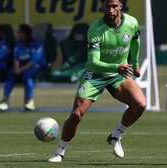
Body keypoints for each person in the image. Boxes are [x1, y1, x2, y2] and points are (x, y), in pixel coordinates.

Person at [48, 0, 146, 163]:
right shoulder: (95, 29)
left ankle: (116, 135)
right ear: (102, 7)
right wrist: (117, 67)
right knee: (76, 115)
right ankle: (60, 151)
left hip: (118, 74)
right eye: (107, 6)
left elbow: (135, 41)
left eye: (114, 6)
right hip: (95, 74)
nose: (111, 10)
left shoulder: (132, 22)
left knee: (140, 104)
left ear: (120, 6)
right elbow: (94, 62)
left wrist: (134, 64)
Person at [0, 24, 46, 111]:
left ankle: (30, 101)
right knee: (10, 75)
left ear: (24, 33)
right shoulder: (18, 44)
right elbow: (16, 58)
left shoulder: (36, 44)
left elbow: (34, 61)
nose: (17, 34)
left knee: (28, 77)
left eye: (18, 32)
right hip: (21, 68)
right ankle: (4, 101)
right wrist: (16, 69)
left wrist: (20, 69)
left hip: (34, 67)